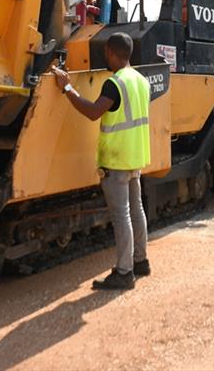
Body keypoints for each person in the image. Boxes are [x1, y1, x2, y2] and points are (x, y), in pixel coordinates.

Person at [51, 32, 151, 290]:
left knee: (122, 216)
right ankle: (140, 261)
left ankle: (124, 272)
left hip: (117, 160)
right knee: (136, 210)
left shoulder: (114, 83)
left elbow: (94, 112)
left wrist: (67, 87)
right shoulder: (141, 80)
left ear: (110, 51)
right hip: (136, 157)